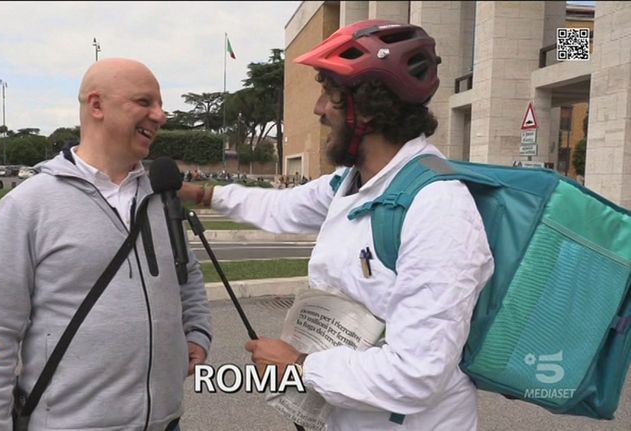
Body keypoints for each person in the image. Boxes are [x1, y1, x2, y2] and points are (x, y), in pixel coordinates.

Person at [180, 20, 493, 430]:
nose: (319, 110)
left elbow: (417, 374)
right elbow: (282, 207)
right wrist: (201, 194)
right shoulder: (353, 182)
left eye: (330, 96)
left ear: (370, 107)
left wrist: (299, 365)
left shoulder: (438, 208)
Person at [0, 58, 212, 430]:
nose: (160, 116)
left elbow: (186, 276)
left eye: (160, 105)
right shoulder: (27, 205)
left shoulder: (162, 198)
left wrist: (197, 331)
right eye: (144, 102)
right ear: (96, 105)